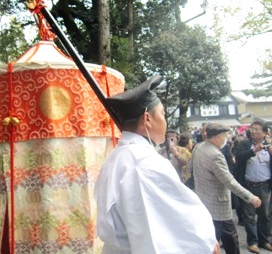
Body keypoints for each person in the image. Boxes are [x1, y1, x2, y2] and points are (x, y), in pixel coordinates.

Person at [94, 75, 220, 254]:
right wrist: (204, 241)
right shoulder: (144, 163)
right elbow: (167, 224)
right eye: (162, 113)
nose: (165, 121)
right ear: (147, 119)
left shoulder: (118, 156)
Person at [193, 123, 262, 254]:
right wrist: (250, 197)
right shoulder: (215, 155)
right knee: (230, 239)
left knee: (213, 239)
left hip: (204, 199)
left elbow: (191, 170)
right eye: (225, 136)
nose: (226, 139)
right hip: (219, 204)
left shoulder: (199, 147)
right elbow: (229, 181)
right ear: (218, 137)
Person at [236, 120, 272, 253]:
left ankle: (264, 240)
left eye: (257, 129)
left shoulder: (271, 146)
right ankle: (252, 242)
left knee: (264, 215)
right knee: (249, 215)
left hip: (265, 186)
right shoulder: (245, 144)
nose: (253, 131)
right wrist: (253, 151)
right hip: (248, 185)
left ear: (264, 133)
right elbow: (239, 158)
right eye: (252, 128)